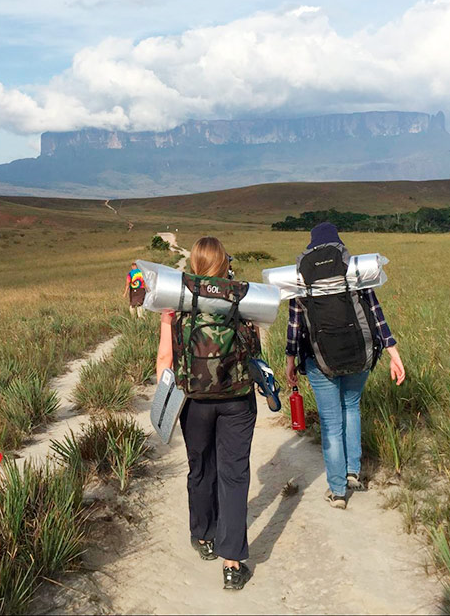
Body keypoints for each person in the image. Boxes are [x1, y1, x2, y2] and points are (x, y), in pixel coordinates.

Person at [155, 237, 257, 590]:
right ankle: (232, 563)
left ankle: (203, 535)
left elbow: (165, 361)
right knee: (235, 474)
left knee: (201, 467)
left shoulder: (177, 302)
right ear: (225, 263)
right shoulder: (242, 297)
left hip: (193, 401)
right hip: (237, 400)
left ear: (195, 265)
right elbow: (255, 350)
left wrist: (165, 402)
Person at [283, 223, 405, 510]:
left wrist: (290, 361)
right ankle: (353, 473)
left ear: (311, 247)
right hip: (359, 356)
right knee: (351, 407)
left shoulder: (301, 278)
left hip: (319, 361)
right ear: (339, 245)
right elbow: (376, 314)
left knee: (330, 422)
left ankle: (337, 491)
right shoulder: (355, 271)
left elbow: (295, 326)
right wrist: (393, 352)